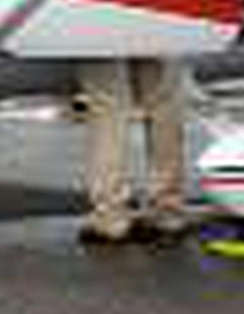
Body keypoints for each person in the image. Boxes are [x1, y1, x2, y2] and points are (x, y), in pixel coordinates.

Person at [76, 59, 190, 246]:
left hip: (102, 31)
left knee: (108, 103)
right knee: (163, 102)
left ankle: (111, 217)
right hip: (160, 31)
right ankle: (166, 211)